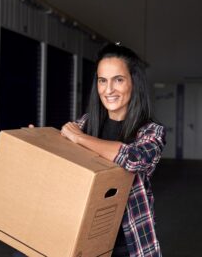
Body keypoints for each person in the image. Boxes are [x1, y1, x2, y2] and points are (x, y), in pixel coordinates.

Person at [60, 43, 165, 257]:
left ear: (133, 83)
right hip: (84, 237)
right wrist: (40, 143)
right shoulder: (88, 123)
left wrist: (79, 138)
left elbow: (133, 159)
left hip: (127, 243)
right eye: (102, 81)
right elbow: (62, 154)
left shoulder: (151, 131)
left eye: (118, 80)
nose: (108, 90)